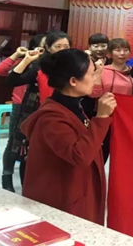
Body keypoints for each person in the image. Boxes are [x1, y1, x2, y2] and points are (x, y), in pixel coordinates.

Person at [21, 49, 116, 225]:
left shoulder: (73, 107)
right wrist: (102, 118)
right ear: (73, 81)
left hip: (77, 189)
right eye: (91, 74)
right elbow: (79, 155)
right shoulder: (51, 117)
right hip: (61, 201)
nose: (96, 78)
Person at [5, 31, 72, 185]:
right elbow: (11, 81)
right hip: (36, 113)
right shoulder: (39, 65)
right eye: (58, 46)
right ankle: (22, 185)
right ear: (48, 47)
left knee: (55, 154)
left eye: (66, 46)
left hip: (61, 116)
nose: (63, 50)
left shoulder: (73, 66)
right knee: (28, 152)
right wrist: (26, 60)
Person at [0, 34, 45, 192]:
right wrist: (17, 55)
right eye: (42, 47)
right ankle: (7, 177)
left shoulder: (51, 65)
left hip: (42, 108)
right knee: (14, 144)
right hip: (20, 107)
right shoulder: (26, 62)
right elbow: (0, 71)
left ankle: (29, 180)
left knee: (32, 147)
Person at [90, 38, 133, 163]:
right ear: (110, 53)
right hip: (106, 115)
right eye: (118, 50)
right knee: (103, 151)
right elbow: (94, 93)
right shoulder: (103, 70)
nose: (122, 53)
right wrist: (98, 73)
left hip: (126, 118)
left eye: (125, 50)